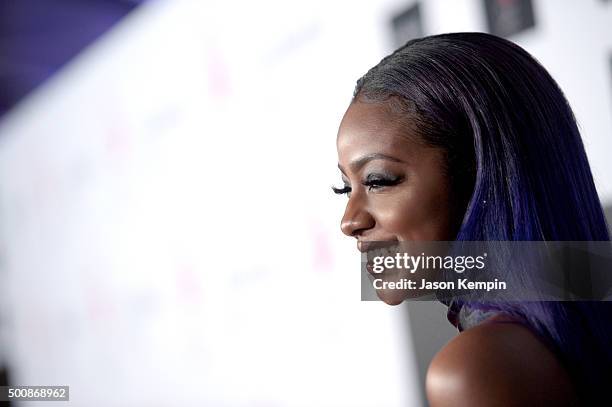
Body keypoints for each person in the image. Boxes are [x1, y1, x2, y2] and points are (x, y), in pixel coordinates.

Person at [333, 32, 612, 406]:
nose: (349, 221)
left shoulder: (474, 369)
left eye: (378, 180)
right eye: (343, 188)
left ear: (479, 173)